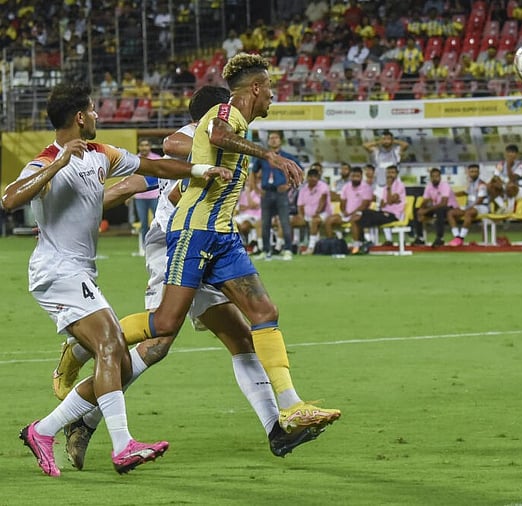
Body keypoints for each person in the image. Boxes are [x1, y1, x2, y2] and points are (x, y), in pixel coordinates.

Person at [51, 85, 321, 468]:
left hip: (209, 247)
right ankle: (82, 387)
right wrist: (67, 219)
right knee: (158, 342)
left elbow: (134, 184)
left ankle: (276, 429)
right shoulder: (199, 137)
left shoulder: (217, 147)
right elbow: (159, 156)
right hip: (173, 247)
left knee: (241, 336)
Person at [1, 82, 231, 477]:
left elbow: (154, 167)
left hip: (78, 272)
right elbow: (9, 199)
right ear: (79, 117)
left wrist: (199, 170)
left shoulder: (100, 153)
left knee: (120, 360)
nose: (97, 115)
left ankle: (44, 430)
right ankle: (123, 446)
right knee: (110, 344)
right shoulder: (47, 159)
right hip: (57, 272)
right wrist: (58, 164)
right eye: (92, 110)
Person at [116, 52, 341, 439]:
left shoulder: (237, 121)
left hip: (222, 236)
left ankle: (291, 406)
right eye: (270, 88)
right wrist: (269, 155)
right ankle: (89, 343)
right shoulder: (225, 112)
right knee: (164, 326)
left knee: (264, 311)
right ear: (255, 87)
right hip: (195, 231)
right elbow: (216, 135)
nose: (273, 95)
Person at [251, 130, 302, 260]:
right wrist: (256, 189)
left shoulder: (287, 157)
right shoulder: (263, 157)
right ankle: (266, 250)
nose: (273, 140)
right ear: (268, 141)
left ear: (281, 140)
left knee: (284, 222)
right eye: (271, 138)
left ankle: (288, 250)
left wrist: (289, 185)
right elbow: (253, 172)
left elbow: (299, 170)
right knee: (265, 223)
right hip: (266, 192)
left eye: (276, 138)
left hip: (281, 192)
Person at [323, 166, 373, 251]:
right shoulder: (346, 187)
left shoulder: (366, 188)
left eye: (357, 176)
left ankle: (356, 246)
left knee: (354, 219)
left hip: (360, 213)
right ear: (350, 176)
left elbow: (365, 205)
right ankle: (332, 244)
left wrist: (352, 213)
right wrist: (344, 211)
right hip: (346, 214)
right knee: (329, 220)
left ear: (361, 177)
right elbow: (342, 202)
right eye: (353, 176)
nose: (355, 178)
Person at [357, 165, 407, 247]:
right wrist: (388, 199)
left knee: (366, 214)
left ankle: (367, 240)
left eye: (392, 173)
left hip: (394, 215)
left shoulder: (399, 185)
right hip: (384, 213)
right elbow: (382, 203)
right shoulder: (386, 187)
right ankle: (366, 240)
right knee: (363, 213)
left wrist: (389, 190)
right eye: (388, 173)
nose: (390, 175)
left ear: (397, 174)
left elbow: (389, 201)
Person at [412, 167, 458, 247]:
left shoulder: (445, 185)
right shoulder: (429, 186)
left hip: (449, 208)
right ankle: (420, 238)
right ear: (430, 177)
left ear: (440, 177)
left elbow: (443, 203)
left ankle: (440, 238)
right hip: (436, 208)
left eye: (437, 176)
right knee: (416, 210)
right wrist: (421, 210)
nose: (435, 178)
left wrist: (426, 211)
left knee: (439, 210)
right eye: (433, 176)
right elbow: (425, 201)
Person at [447, 163, 489, 247]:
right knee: (450, 213)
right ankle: (457, 237)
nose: (474, 173)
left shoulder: (481, 184)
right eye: (472, 171)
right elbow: (465, 192)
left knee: (469, 213)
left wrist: (468, 208)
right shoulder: (470, 183)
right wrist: (451, 194)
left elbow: (480, 200)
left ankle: (461, 238)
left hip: (482, 207)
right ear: (468, 173)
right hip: (470, 207)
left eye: (475, 171)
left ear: (478, 173)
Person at [294, 165, 331, 254]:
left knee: (314, 221)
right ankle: (290, 245)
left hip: (323, 213)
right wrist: (301, 216)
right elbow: (300, 205)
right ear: (307, 177)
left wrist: (317, 213)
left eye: (314, 177)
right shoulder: (303, 189)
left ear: (318, 178)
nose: (312, 179)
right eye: (310, 177)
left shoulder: (323, 186)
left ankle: (311, 247)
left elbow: (323, 201)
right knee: (291, 221)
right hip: (307, 214)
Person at [133, 138, 161, 254]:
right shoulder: (134, 159)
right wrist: (129, 196)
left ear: (150, 147)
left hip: (154, 195)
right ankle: (143, 248)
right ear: (139, 147)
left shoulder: (157, 159)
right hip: (140, 196)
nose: (144, 148)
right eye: (142, 145)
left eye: (146, 145)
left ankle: (158, 246)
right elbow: (130, 178)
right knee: (143, 223)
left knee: (158, 222)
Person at [488, 144, 522, 213]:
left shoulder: (520, 165)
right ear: (505, 154)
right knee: (490, 186)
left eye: (513, 152)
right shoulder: (501, 163)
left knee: (510, 186)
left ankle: (510, 211)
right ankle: (503, 207)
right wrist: (498, 183)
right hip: (504, 187)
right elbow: (495, 176)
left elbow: (512, 179)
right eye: (509, 152)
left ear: (517, 155)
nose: (510, 154)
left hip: (518, 189)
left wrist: (508, 165)